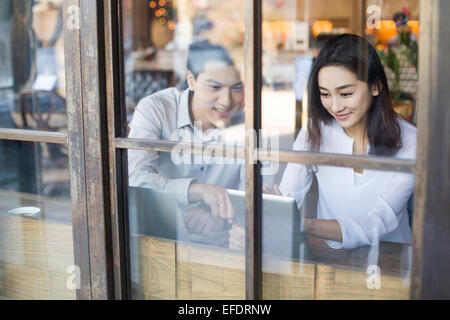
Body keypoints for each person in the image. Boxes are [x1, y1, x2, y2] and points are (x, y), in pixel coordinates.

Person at [234, 34, 416, 251]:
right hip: (331, 256)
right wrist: (276, 207)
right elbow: (290, 194)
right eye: (325, 94)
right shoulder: (315, 130)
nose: (336, 106)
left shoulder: (411, 141)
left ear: (375, 86)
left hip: (392, 259)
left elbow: (377, 224)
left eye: (346, 93)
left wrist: (304, 224)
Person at [128, 41, 272, 246]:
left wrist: (220, 220)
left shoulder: (252, 127)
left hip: (222, 247)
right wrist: (198, 191)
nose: (226, 101)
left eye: (236, 88)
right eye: (215, 87)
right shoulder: (156, 109)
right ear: (191, 80)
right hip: (156, 241)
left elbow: (257, 200)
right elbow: (135, 177)